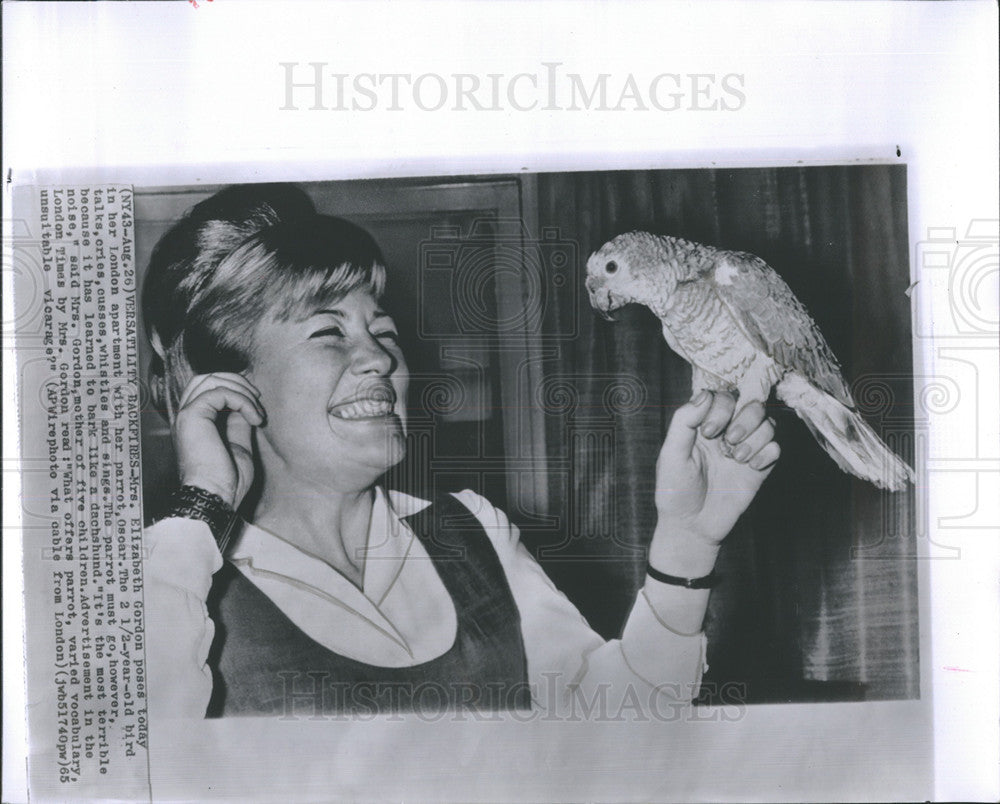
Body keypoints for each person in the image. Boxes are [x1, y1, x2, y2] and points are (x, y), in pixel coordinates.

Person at [142, 184, 780, 718]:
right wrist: (200, 510)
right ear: (228, 384)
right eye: (329, 332)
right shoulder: (175, 578)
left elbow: (618, 730)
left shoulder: (472, 529)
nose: (380, 357)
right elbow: (119, 772)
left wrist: (687, 542)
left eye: (382, 329)